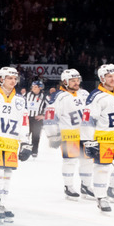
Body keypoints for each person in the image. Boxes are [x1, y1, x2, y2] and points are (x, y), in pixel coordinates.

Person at [0, 66, 32, 223]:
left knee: (7, 176)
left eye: (15, 78)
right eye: (9, 78)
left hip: (11, 142)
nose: (13, 81)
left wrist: (25, 142)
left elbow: (23, 122)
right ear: (1, 79)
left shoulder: (20, 99)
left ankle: (2, 204)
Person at [44, 69, 93, 200]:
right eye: (73, 81)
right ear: (65, 81)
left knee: (88, 160)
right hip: (69, 133)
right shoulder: (58, 96)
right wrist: (52, 134)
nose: (76, 83)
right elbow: (50, 116)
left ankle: (86, 186)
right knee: (70, 161)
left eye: (77, 80)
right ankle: (68, 186)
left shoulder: (84, 93)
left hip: (86, 133)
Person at [84, 63, 114, 212]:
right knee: (102, 168)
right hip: (104, 138)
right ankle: (101, 196)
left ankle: (113, 188)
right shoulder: (95, 97)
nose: (113, 79)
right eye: (109, 76)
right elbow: (88, 121)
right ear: (102, 78)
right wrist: (90, 142)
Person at [26, 79, 47, 157]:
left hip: (37, 119)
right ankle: (25, 150)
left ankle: (34, 151)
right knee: (26, 135)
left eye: (35, 87)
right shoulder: (27, 94)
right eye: (32, 87)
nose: (33, 88)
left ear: (40, 88)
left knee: (36, 135)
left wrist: (43, 116)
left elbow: (50, 107)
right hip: (28, 118)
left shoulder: (44, 96)